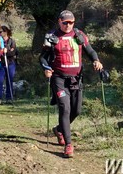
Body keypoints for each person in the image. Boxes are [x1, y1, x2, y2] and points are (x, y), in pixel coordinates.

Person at [40, 10, 103, 158]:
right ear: (59, 22)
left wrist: (96, 60)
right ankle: (68, 145)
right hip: (58, 78)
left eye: (71, 22)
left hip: (76, 78)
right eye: (65, 22)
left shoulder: (79, 35)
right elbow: (42, 57)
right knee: (65, 108)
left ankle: (59, 129)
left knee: (77, 110)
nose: (68, 25)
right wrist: (46, 68)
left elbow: (90, 51)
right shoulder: (51, 37)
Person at [0, 25, 18, 104]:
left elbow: (13, 52)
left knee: (9, 80)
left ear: (6, 32)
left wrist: (6, 52)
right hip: (1, 63)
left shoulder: (12, 41)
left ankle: (9, 97)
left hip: (10, 63)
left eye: (1, 32)